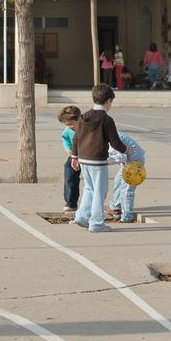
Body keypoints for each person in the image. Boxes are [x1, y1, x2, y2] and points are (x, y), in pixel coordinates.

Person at [72, 84, 132, 233]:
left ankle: (81, 216)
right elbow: (115, 141)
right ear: (109, 101)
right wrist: (127, 150)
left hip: (83, 159)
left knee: (89, 188)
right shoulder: (106, 120)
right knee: (100, 191)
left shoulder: (82, 117)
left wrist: (74, 156)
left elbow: (76, 138)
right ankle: (97, 223)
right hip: (98, 160)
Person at [106, 130, 146, 223]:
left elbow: (120, 157)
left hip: (134, 164)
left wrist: (102, 161)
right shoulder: (108, 134)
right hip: (126, 163)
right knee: (118, 181)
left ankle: (127, 216)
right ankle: (115, 207)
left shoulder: (113, 139)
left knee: (127, 190)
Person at [58, 105, 81, 212]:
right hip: (73, 156)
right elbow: (65, 139)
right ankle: (71, 203)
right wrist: (67, 148)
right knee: (69, 175)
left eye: (72, 124)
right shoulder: (67, 130)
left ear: (79, 119)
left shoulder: (85, 127)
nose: (70, 126)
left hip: (86, 155)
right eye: (66, 124)